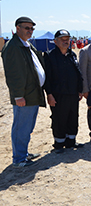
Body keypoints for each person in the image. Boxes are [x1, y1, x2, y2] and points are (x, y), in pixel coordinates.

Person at [1, 16, 45, 167]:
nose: (30, 31)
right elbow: (13, 74)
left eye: (32, 28)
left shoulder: (25, 44)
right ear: (17, 28)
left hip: (32, 93)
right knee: (21, 126)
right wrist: (18, 95)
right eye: (27, 28)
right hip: (24, 95)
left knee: (28, 126)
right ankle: (19, 159)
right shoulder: (13, 47)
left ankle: (23, 153)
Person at [43, 29, 84, 154]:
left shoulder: (72, 55)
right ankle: (59, 144)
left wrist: (80, 89)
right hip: (58, 94)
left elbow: (77, 73)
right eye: (62, 39)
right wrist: (49, 94)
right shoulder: (50, 56)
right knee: (59, 118)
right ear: (55, 41)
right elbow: (47, 77)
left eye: (67, 39)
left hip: (73, 93)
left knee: (73, 117)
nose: (65, 41)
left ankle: (71, 142)